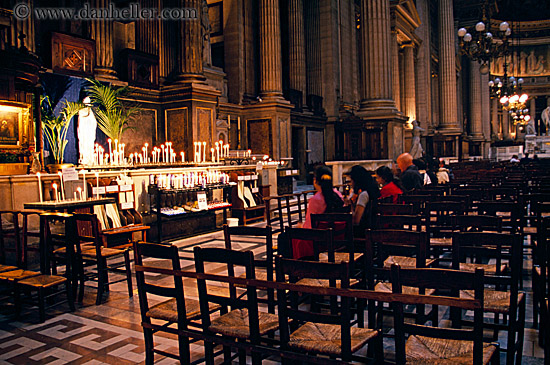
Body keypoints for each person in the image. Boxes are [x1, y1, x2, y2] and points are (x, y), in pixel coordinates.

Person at [292, 165, 344, 259]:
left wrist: (300, 226)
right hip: (338, 239)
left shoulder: (316, 199)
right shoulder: (338, 195)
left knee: (285, 237)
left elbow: (309, 227)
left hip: (319, 242)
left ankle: (294, 268)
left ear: (315, 180)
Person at [345, 165, 380, 229]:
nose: (351, 183)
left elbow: (356, 221)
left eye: (351, 180)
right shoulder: (373, 190)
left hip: (363, 230)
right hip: (373, 226)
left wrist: (350, 206)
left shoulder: (364, 195)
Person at [78, 96, 97, 166]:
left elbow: (94, 123)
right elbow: (79, 125)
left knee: (90, 146)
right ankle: (84, 160)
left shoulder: (91, 113)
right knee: (83, 146)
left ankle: (90, 161)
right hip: (84, 133)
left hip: (90, 133)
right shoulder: (81, 112)